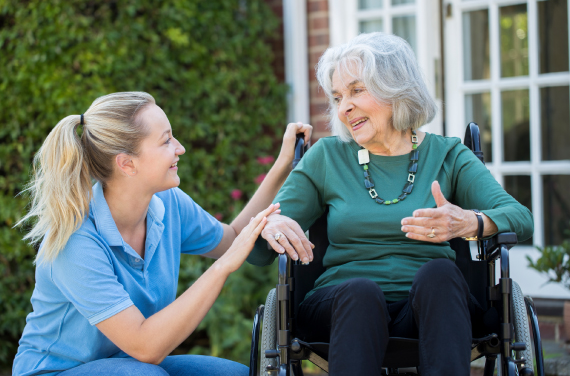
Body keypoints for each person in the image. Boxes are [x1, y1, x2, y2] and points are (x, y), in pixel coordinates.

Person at [246, 33, 534, 376]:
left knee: (441, 274)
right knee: (361, 293)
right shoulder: (327, 157)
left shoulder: (447, 154)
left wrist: (472, 222)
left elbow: (521, 219)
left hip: (431, 310)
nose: (343, 108)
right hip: (343, 309)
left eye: (356, 90)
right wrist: (271, 226)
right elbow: (258, 254)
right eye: (338, 97)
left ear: (396, 88)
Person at [13, 92, 312, 376]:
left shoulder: (168, 204)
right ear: (127, 164)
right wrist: (222, 267)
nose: (180, 148)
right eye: (166, 140)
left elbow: (233, 238)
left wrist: (283, 165)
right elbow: (146, 347)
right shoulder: (75, 241)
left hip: (130, 365)